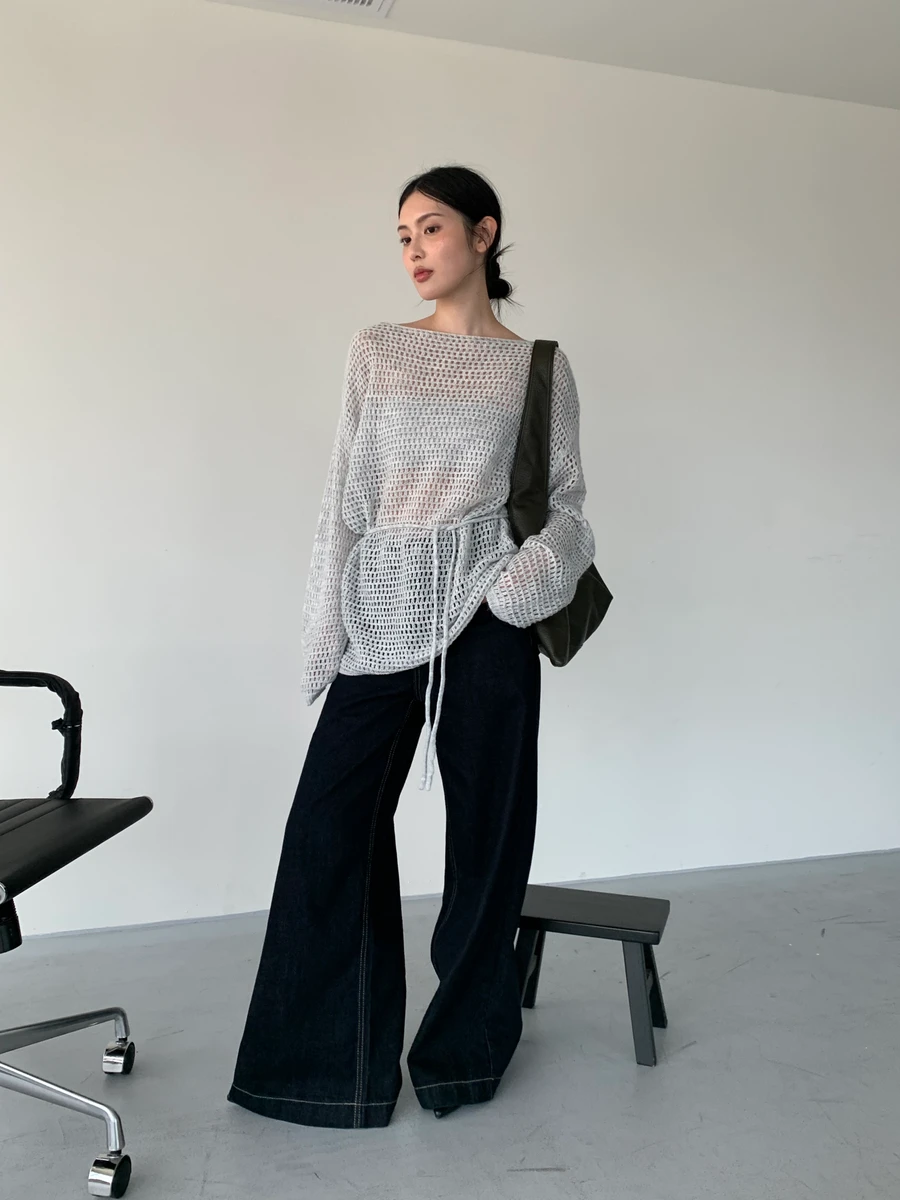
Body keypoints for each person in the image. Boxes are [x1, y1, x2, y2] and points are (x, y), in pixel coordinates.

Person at [227, 164, 596, 1129]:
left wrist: (515, 591)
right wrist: (327, 633)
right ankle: (320, 1069)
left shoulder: (539, 366)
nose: (414, 251)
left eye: (431, 228)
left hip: (489, 619)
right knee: (329, 826)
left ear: (484, 233)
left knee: (487, 840)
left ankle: (464, 1052)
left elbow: (567, 510)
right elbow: (344, 501)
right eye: (402, 236)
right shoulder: (379, 350)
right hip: (384, 607)